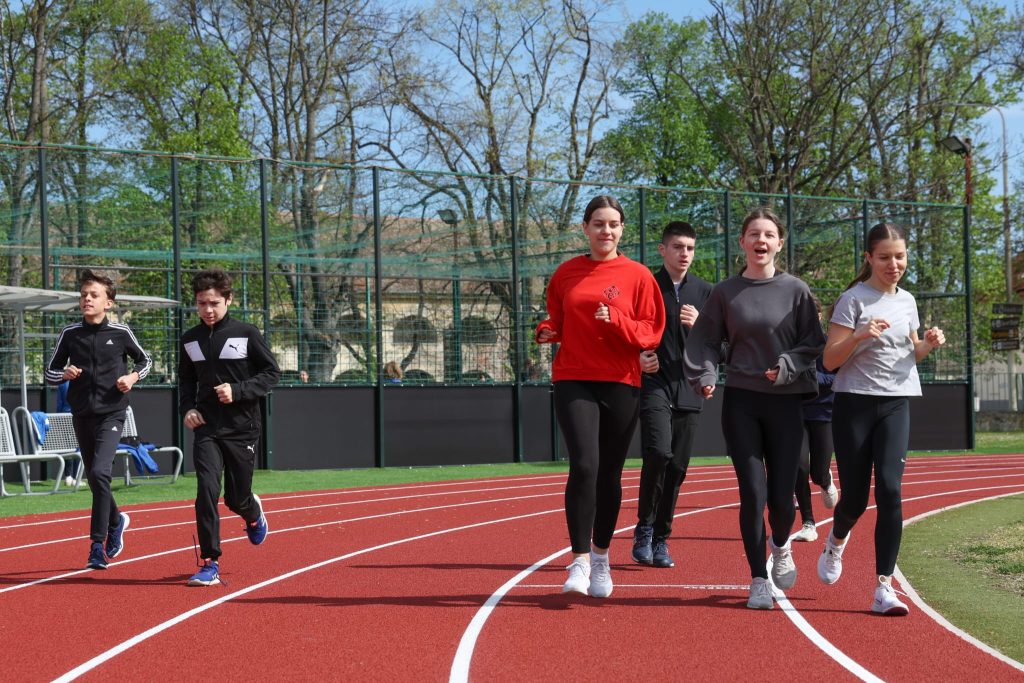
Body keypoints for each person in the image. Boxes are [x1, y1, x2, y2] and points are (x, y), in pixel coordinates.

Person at [684, 207, 825, 610]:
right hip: (742, 401)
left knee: (781, 500)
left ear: (779, 243)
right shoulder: (725, 292)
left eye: (768, 235)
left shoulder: (796, 290)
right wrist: (705, 375)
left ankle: (781, 545)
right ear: (742, 242)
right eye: (753, 234)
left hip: (786, 402)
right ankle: (758, 579)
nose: (761, 241)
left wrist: (786, 366)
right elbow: (704, 339)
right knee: (752, 493)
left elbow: (813, 343)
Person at [536, 194, 665, 598]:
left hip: (621, 380)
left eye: (612, 224)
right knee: (584, 466)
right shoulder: (566, 273)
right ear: (585, 228)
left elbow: (650, 332)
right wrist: (547, 330)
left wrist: (616, 319)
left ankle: (601, 557)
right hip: (574, 376)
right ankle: (578, 559)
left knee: (609, 472)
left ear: (621, 229)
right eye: (598, 223)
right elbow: (557, 318)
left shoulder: (638, 276)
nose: (605, 230)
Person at [817, 222, 945, 616]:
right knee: (855, 498)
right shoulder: (853, 299)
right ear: (869, 258)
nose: (894, 264)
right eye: (885, 257)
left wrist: (927, 344)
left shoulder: (908, 301)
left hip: (896, 402)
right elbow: (829, 360)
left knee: (890, 489)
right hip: (854, 403)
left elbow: (912, 353)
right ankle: (836, 541)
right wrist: (859, 335)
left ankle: (884, 588)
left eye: (900, 256)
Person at [45, 269, 152, 570]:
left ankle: (96, 545)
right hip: (82, 415)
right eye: (83, 295)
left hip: (112, 413)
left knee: (101, 472)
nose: (87, 299)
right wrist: (64, 374)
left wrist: (131, 377)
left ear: (109, 303)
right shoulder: (70, 334)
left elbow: (145, 361)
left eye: (94, 295)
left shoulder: (121, 333)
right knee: (94, 477)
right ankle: (116, 521)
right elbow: (50, 372)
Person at [179, 269, 280, 586]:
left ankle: (251, 512)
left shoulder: (246, 333)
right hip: (207, 428)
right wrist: (188, 409)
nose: (207, 309)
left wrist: (238, 391)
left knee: (235, 498)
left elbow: (271, 373)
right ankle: (210, 562)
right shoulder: (190, 339)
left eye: (214, 303)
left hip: (241, 428)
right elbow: (185, 381)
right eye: (201, 303)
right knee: (206, 491)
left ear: (228, 300)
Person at [631, 221, 712, 568]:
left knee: (677, 467)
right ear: (662, 250)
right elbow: (627, 332)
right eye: (678, 247)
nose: (685, 254)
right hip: (655, 384)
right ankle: (644, 528)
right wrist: (637, 357)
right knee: (658, 453)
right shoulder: (645, 287)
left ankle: (662, 538)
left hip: (690, 388)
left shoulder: (706, 292)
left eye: (690, 248)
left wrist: (701, 326)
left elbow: (722, 346)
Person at [791, 296, 839, 543]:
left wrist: (814, 380)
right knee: (799, 467)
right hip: (796, 412)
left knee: (817, 473)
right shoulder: (791, 342)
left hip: (823, 413)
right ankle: (808, 522)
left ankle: (825, 480)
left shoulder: (832, 342)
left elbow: (839, 376)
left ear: (819, 316)